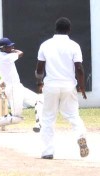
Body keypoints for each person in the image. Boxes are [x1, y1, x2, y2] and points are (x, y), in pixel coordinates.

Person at [35, 17, 89, 159]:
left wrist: (39, 82)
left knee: (48, 118)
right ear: (69, 30)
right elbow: (79, 68)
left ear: (56, 29)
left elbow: (39, 68)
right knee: (72, 115)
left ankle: (47, 151)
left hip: (51, 86)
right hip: (68, 86)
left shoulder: (45, 45)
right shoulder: (74, 46)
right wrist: (82, 86)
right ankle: (80, 136)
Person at [0, 38, 43, 132]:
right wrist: (13, 50)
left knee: (39, 100)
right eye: (10, 46)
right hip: (13, 89)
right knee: (16, 118)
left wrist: (10, 49)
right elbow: (21, 53)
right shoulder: (5, 58)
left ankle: (39, 125)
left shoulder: (3, 56)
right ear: (3, 48)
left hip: (18, 86)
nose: (12, 47)